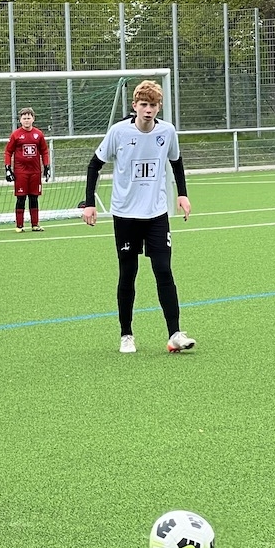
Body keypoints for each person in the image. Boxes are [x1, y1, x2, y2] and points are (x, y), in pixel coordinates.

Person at [79, 80, 196, 355]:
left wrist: (182, 194)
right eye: (143, 104)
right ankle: (126, 334)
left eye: (153, 105)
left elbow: (176, 162)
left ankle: (175, 334)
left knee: (164, 270)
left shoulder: (167, 131)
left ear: (159, 107)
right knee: (128, 274)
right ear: (134, 106)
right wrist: (89, 203)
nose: (148, 109)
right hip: (125, 215)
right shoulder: (119, 132)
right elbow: (94, 165)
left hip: (156, 214)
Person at [4, 107, 51, 232]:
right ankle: (19, 226)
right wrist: (7, 168)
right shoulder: (16, 135)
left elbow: (44, 151)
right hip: (21, 172)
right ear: (20, 120)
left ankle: (35, 224)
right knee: (21, 198)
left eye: (28, 118)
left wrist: (47, 166)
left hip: (35, 172)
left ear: (33, 119)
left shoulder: (38, 134)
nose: (26, 120)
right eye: (24, 118)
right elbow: (8, 152)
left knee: (34, 198)